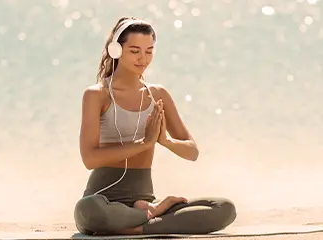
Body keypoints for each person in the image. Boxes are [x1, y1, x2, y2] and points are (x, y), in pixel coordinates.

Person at [74, 16, 237, 235]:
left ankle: (138, 224)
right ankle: (148, 218)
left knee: (223, 208)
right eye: (134, 51)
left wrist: (165, 141)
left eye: (149, 51)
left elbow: (192, 152)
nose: (143, 58)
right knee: (88, 210)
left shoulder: (157, 95)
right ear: (116, 50)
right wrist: (144, 143)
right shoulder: (97, 95)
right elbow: (89, 159)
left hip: (145, 199)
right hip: (103, 199)